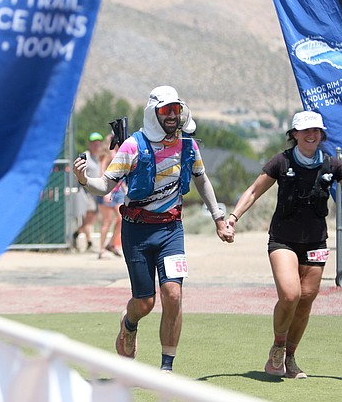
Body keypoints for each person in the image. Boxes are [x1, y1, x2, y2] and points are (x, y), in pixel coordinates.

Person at [225, 110, 342, 379]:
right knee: (290, 295)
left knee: (306, 301)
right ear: (294, 135)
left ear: (321, 134)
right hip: (283, 239)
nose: (312, 135)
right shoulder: (280, 162)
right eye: (306, 130)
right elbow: (253, 191)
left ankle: (291, 357)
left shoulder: (332, 165)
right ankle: (278, 348)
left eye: (316, 130)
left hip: (316, 242)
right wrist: (233, 217)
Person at [73, 86, 233, 373]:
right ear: (154, 113)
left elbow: (202, 180)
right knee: (144, 302)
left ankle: (166, 368)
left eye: (176, 110)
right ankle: (128, 323)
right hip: (137, 232)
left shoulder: (188, 146)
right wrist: (84, 179)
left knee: (173, 294)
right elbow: (106, 186)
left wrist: (218, 218)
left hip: (172, 230)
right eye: (165, 110)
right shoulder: (132, 146)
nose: (172, 115)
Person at [72, 132, 104, 252]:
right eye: (94, 144)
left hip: (95, 192)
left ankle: (76, 234)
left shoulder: (98, 158)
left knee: (90, 219)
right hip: (86, 191)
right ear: (90, 144)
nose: (96, 146)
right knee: (89, 217)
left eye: (98, 144)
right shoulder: (86, 156)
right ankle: (89, 242)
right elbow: (78, 173)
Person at [97, 133, 125, 259]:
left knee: (121, 218)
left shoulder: (121, 153)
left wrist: (125, 188)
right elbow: (102, 170)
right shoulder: (109, 154)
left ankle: (112, 244)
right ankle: (102, 249)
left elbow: (121, 174)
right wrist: (106, 191)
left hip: (118, 191)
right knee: (106, 221)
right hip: (109, 190)